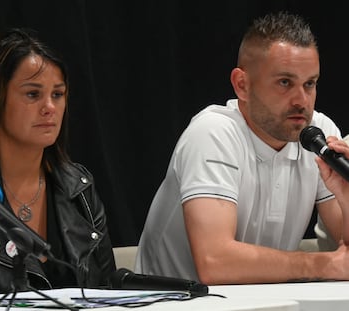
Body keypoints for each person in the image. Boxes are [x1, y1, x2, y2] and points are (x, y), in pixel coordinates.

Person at [135, 11, 349, 284]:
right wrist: (324, 265)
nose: (302, 100)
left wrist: (347, 196)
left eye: (310, 84)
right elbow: (215, 263)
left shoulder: (319, 134)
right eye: (285, 82)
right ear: (242, 85)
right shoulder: (213, 133)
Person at [0, 28, 116, 302]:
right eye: (33, 94)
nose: (49, 107)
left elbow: (107, 292)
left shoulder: (79, 186)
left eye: (58, 94)